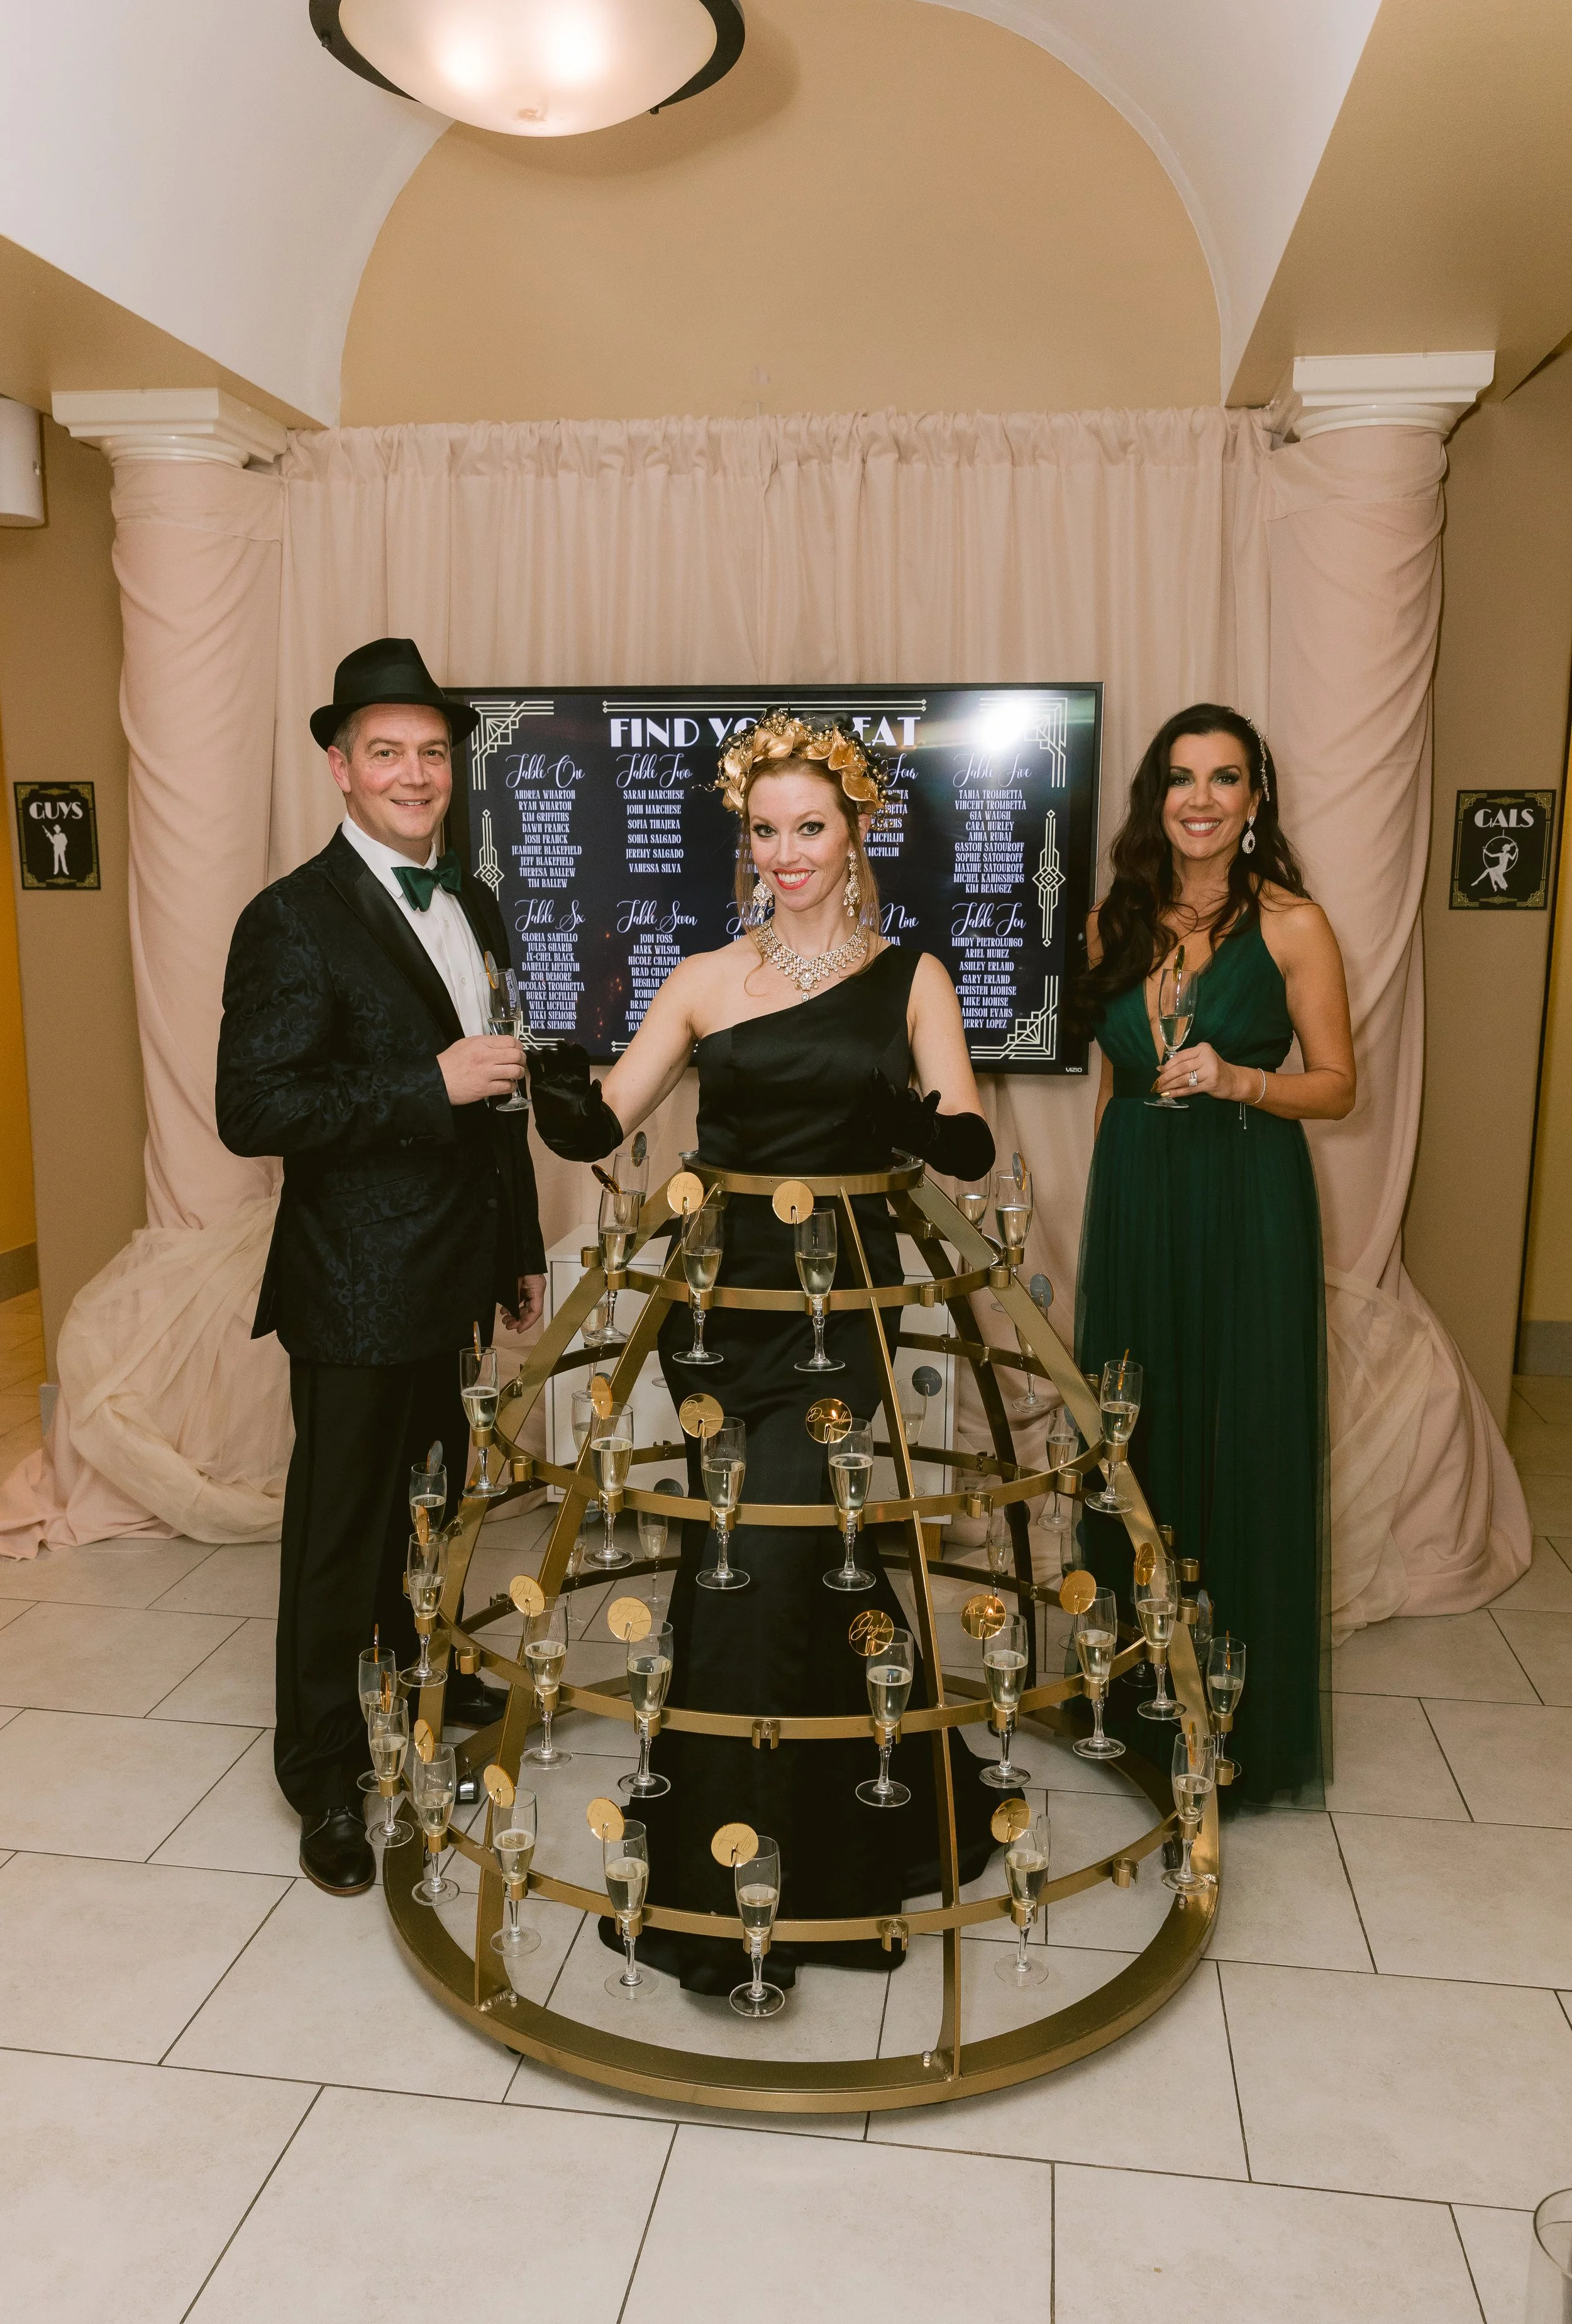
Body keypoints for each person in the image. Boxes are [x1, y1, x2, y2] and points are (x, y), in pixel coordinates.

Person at [529, 708, 999, 1991]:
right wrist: (555, 1092)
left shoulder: (913, 978)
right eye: (766, 830)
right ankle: (827, 1838)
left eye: (811, 827)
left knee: (771, 1556)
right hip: (717, 1311)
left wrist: (923, 1126)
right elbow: (603, 1122)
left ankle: (740, 1887)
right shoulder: (702, 979)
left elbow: (966, 1137)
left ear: (854, 835)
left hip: (841, 1310)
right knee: (757, 1556)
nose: (787, 853)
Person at [216, 637, 546, 1896]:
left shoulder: (474, 903)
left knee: (430, 1512)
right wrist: (424, 1084)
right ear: (341, 768)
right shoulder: (290, 917)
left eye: (432, 753)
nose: (414, 774)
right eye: (387, 752)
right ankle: (321, 1773)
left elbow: (499, 1090)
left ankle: (416, 1678)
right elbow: (252, 1108)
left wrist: (515, 1250)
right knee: (339, 1539)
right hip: (353, 1290)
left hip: (454, 1274)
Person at [1073, 703, 1355, 1804]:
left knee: (1243, 1432)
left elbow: (1338, 1086)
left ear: (1254, 799)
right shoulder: (1114, 921)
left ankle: (1241, 1723)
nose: (1201, 799)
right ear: (1157, 798)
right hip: (1139, 1193)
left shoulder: (1293, 925)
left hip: (1246, 1195)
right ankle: (1131, 1705)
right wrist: (1110, 1222)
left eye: (1224, 778)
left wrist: (1242, 1080)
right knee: (1137, 1431)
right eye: (1181, 778)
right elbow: (1116, 1086)